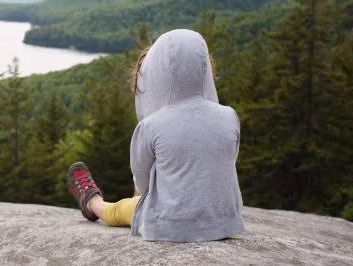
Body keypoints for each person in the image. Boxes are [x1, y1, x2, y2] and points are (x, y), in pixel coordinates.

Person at [67, 29, 245, 242]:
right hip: (225, 222)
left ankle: (92, 203)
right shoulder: (229, 116)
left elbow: (142, 185)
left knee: (122, 209)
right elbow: (225, 162)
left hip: (170, 225)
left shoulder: (151, 126)